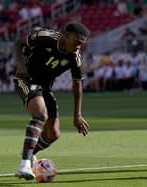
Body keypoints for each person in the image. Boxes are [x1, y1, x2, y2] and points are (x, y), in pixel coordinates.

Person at [13, 22, 90, 180]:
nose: (78, 47)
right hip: (26, 80)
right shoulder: (46, 37)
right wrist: (21, 64)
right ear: (67, 36)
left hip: (45, 87)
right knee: (41, 115)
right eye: (76, 42)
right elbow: (18, 43)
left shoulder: (75, 58)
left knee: (53, 134)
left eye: (81, 44)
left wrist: (77, 115)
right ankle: (25, 164)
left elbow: (77, 85)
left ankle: (30, 151)